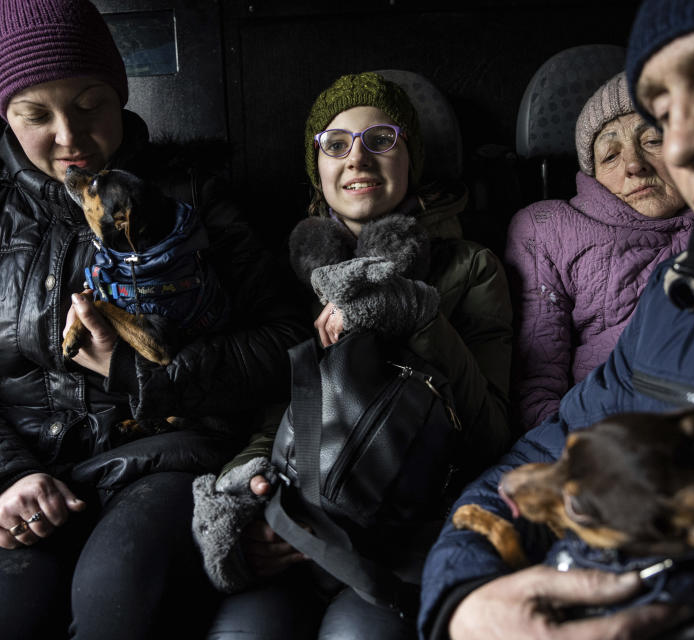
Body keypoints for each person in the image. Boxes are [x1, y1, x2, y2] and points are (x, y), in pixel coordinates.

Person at [0, 0, 307, 638]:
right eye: (36, 115)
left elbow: (286, 343)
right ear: (5, 114)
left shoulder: (192, 198)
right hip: (12, 458)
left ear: (120, 94)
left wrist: (145, 372)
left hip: (161, 459)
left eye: (89, 106)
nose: (70, 137)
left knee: (120, 607)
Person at [419, 0, 694, 638]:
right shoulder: (679, 304)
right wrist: (465, 598)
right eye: (662, 114)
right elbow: (557, 442)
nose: (678, 145)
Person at [195, 71, 514, 640]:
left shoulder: (471, 266)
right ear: (316, 168)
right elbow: (270, 417)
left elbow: (489, 434)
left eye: (382, 140)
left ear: (410, 157)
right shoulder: (285, 272)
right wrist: (243, 497)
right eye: (336, 145)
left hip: (409, 529)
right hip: (302, 523)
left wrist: (410, 311)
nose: (358, 159)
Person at [505, 71, 692, 432]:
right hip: (606, 432)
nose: (633, 165)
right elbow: (536, 383)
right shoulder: (546, 228)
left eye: (653, 140)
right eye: (610, 155)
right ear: (591, 173)